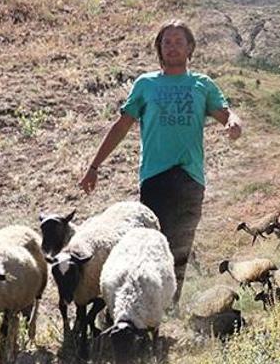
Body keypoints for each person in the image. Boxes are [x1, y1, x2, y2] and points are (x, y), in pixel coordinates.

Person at [79, 20, 241, 304]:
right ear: (159, 48)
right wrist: (94, 167)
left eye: (179, 41)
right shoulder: (146, 84)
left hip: (191, 177)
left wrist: (234, 123)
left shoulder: (202, 84)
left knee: (181, 246)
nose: (173, 47)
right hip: (155, 176)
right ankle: (143, 304)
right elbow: (122, 125)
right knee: (150, 243)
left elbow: (226, 114)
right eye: (167, 42)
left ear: (190, 48)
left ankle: (170, 307)